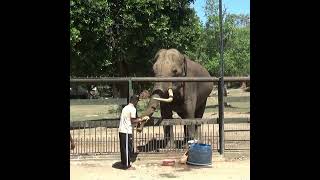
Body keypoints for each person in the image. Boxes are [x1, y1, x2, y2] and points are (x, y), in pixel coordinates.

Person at [118, 95, 149, 170]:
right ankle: (127, 166)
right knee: (127, 149)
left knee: (123, 148)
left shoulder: (125, 107)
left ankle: (123, 163)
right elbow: (133, 120)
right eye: (137, 101)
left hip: (121, 130)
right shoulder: (132, 109)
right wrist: (142, 119)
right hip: (126, 131)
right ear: (135, 101)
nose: (137, 103)